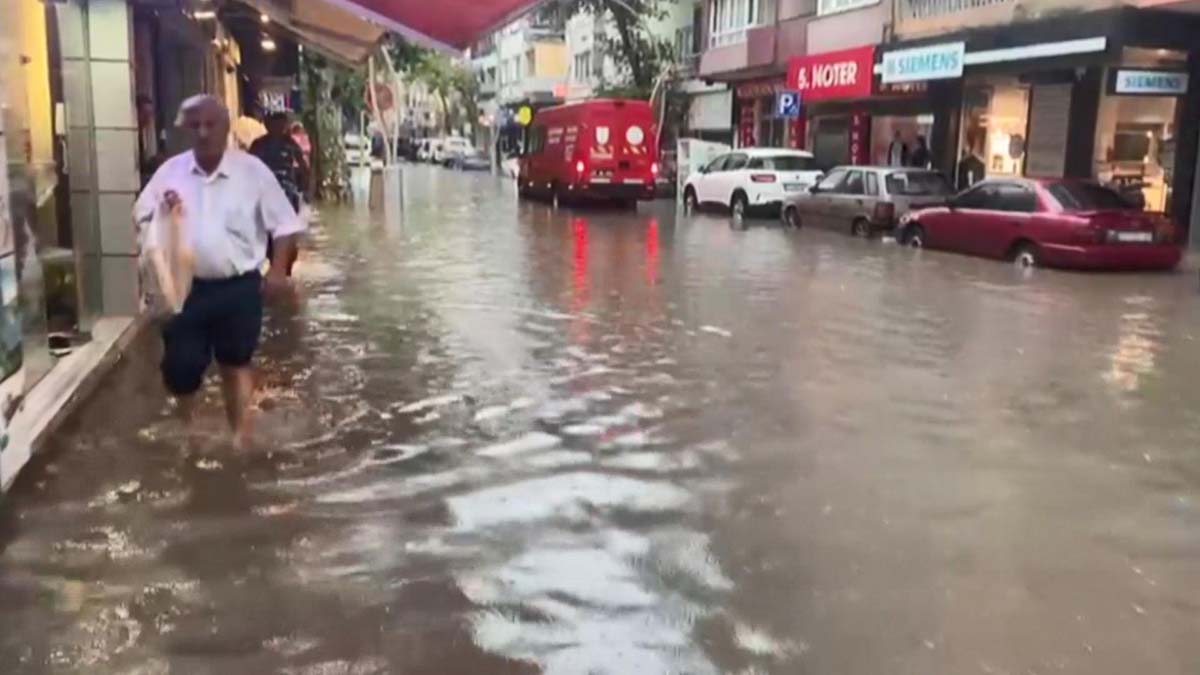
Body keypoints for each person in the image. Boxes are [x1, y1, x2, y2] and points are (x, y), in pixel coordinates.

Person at [135, 95, 304, 447]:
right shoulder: (171, 172)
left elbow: (285, 226)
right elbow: (141, 216)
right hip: (184, 290)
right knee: (181, 368)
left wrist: (277, 272)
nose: (203, 132)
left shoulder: (252, 172)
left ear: (226, 129)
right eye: (195, 125)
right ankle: (189, 430)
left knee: (235, 361)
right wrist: (164, 211)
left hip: (239, 286)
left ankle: (238, 437)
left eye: (210, 125)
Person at [250, 111, 308, 276]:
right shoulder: (258, 145)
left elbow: (304, 168)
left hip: (287, 193)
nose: (278, 127)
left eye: (281, 124)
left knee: (288, 231)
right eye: (274, 123)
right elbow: (248, 166)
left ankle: (285, 268)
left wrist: (305, 190)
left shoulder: (290, 144)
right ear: (267, 125)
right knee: (264, 230)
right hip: (263, 193)